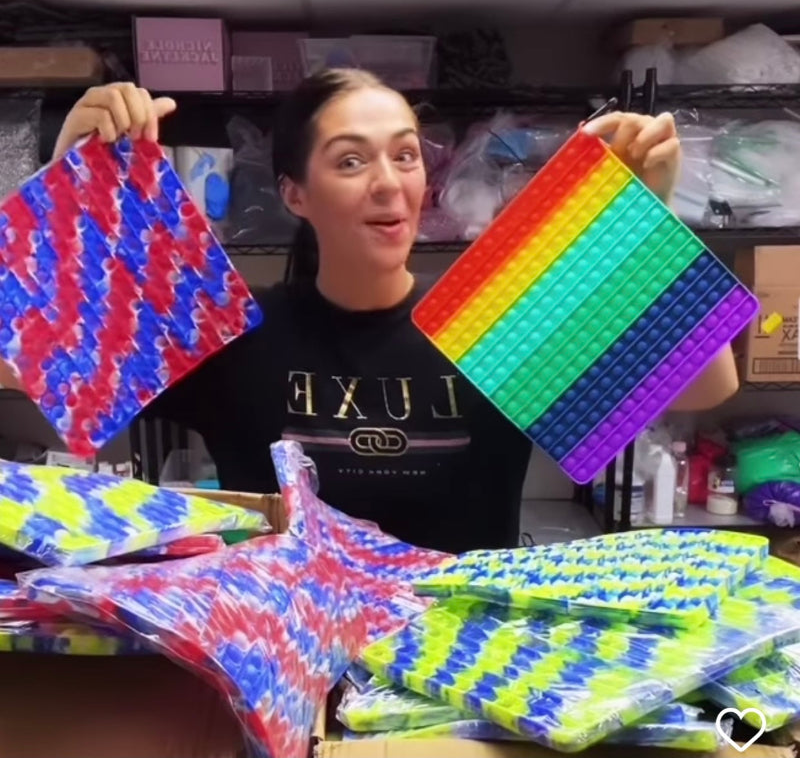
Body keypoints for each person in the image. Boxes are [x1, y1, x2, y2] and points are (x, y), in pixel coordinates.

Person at [0, 74, 740, 553]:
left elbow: (709, 385)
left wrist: (644, 216)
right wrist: (70, 180)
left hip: (456, 672)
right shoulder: (233, 334)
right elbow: (30, 366)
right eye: (351, 160)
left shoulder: (501, 322)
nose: (389, 183)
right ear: (295, 193)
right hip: (292, 664)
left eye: (405, 156)